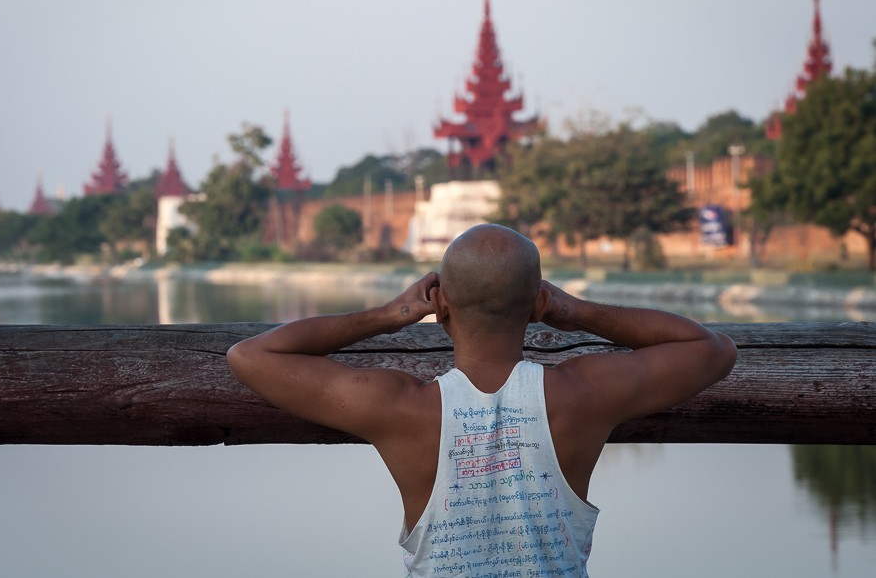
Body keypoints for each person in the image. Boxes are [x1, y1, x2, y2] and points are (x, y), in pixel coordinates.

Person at [227, 224, 736, 577]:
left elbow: (251, 356)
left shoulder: (400, 408)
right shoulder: (583, 394)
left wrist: (390, 313)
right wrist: (573, 310)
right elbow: (712, 349)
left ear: (441, 305)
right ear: (537, 303)